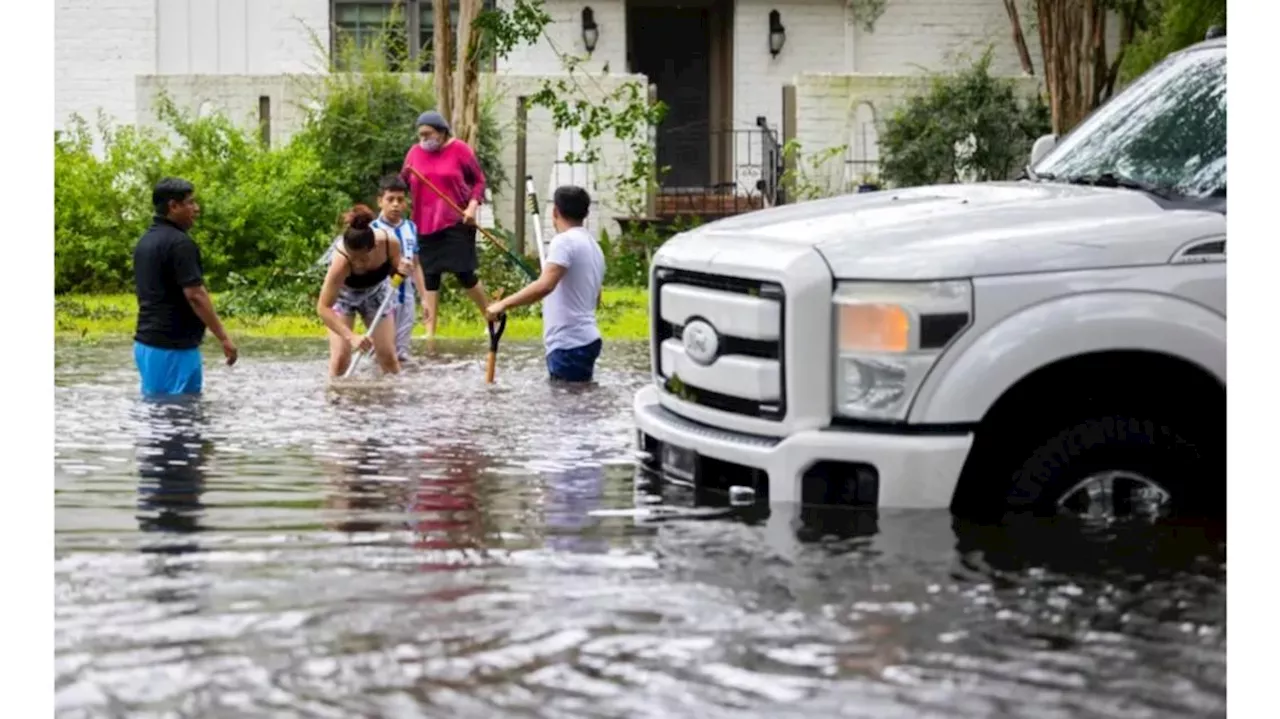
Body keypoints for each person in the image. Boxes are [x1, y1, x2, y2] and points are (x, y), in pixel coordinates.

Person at [485, 186, 606, 383]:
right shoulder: (594, 246)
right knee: (579, 403)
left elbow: (545, 286)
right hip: (588, 339)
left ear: (555, 212)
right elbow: (596, 296)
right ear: (585, 213)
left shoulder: (564, 242)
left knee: (564, 408)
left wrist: (503, 304)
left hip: (568, 344)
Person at [132, 177, 237, 397]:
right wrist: (223, 337)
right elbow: (196, 295)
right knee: (182, 416)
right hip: (173, 348)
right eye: (190, 202)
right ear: (173, 206)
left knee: (157, 415)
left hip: (147, 344)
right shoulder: (180, 244)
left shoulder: (145, 242)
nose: (196, 209)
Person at [401, 110, 493, 338]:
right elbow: (403, 180)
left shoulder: (460, 150)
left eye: (428, 134)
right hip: (423, 222)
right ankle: (430, 330)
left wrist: (472, 207)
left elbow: (479, 181)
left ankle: (492, 316)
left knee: (464, 273)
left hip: (456, 219)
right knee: (429, 276)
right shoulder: (414, 153)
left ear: (442, 132)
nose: (424, 140)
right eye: (420, 135)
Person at [317, 204, 413, 377]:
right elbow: (323, 308)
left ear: (374, 246)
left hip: (376, 293)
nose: (358, 264)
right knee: (340, 359)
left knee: (388, 357)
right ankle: (335, 398)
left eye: (363, 258)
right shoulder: (340, 262)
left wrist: (403, 267)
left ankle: (396, 398)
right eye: (353, 259)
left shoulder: (389, 243)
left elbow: (397, 270)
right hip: (344, 297)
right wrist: (351, 337)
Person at [369, 175, 427, 362]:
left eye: (400, 200)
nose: (395, 204)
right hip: (382, 297)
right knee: (381, 350)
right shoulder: (373, 230)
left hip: (406, 297)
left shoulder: (410, 227)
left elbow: (416, 264)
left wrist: (424, 298)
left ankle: (397, 388)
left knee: (401, 352)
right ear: (380, 202)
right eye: (390, 199)